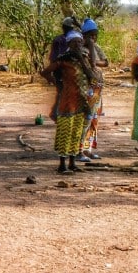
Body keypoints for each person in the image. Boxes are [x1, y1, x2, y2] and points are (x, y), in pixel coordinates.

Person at [39, 30, 92, 174]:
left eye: (80, 42)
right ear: (69, 43)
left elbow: (91, 76)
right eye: (75, 42)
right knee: (65, 132)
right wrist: (57, 83)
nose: (78, 44)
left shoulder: (83, 59)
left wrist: (82, 59)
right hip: (67, 101)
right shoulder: (63, 60)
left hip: (81, 101)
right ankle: (62, 165)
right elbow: (45, 72)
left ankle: (72, 163)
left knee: (76, 133)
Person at [77, 18, 110, 162]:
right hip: (86, 89)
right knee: (86, 119)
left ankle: (87, 149)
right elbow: (89, 63)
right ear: (84, 36)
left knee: (94, 121)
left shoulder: (97, 48)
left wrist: (95, 59)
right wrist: (90, 48)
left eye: (95, 35)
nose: (93, 38)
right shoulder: (79, 49)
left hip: (98, 89)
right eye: (90, 35)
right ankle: (78, 151)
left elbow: (106, 62)